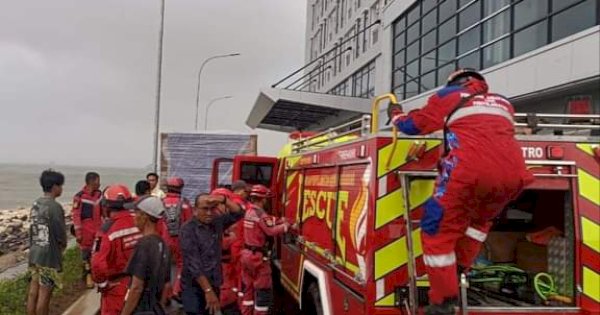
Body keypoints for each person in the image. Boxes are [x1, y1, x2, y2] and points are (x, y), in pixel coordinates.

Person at [388, 68, 533, 314]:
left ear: (455, 83)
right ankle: (459, 268)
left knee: (437, 231)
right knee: (478, 223)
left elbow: (414, 126)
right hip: (514, 177)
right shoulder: (503, 103)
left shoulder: (449, 96)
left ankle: (444, 302)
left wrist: (396, 115)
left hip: (469, 174)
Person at [179, 192, 244, 315]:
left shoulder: (216, 223)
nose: (209, 213)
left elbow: (239, 213)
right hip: (194, 287)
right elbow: (194, 265)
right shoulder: (188, 229)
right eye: (204, 209)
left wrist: (223, 199)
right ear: (195, 209)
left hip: (214, 282)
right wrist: (208, 291)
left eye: (212, 209)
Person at [91, 185, 142, 315]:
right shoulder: (139, 222)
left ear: (106, 206)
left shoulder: (107, 230)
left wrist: (103, 284)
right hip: (139, 283)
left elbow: (97, 264)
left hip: (116, 287)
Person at [240, 185, 291, 315]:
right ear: (263, 200)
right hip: (258, 258)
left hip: (246, 255)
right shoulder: (260, 213)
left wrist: (278, 220)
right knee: (263, 290)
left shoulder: (249, 211)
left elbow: (267, 221)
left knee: (248, 290)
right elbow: (270, 230)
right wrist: (286, 226)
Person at [121, 196, 171, 315]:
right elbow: (167, 284)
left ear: (145, 216)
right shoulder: (162, 243)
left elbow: (136, 287)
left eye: (136, 213)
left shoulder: (144, 245)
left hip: (142, 308)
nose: (134, 217)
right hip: (156, 308)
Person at [27, 169, 67, 315]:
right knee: (45, 294)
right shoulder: (55, 207)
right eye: (61, 185)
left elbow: (31, 229)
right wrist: (62, 246)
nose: (62, 189)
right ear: (54, 186)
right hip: (49, 256)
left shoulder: (36, 204)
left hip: (35, 252)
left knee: (33, 292)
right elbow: (60, 233)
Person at [161, 177, 194, 299]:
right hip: (180, 240)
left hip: (164, 239)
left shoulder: (160, 202)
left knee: (164, 267)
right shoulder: (184, 204)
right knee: (182, 264)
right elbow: (190, 223)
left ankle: (165, 294)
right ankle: (176, 290)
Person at [72, 171, 102, 289]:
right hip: (86, 231)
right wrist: (78, 233)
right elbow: (76, 215)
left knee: (97, 254)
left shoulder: (99, 195)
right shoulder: (79, 197)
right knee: (86, 255)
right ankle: (87, 276)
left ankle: (97, 275)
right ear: (92, 181)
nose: (99, 184)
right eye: (98, 181)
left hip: (98, 230)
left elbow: (104, 212)